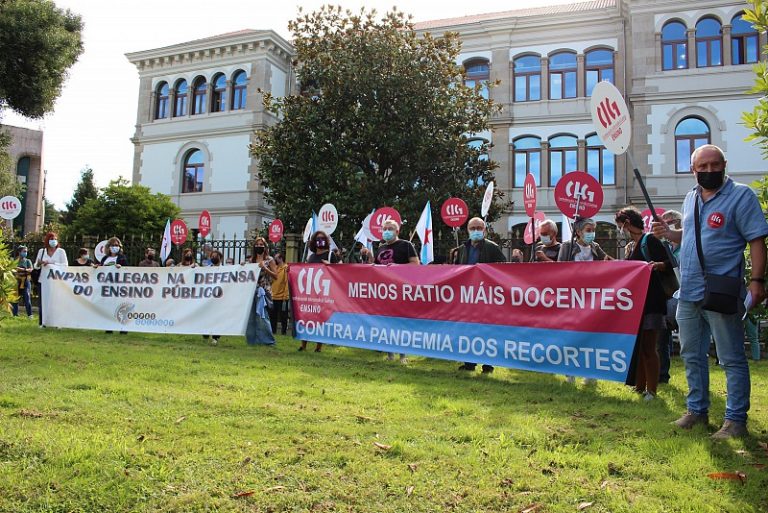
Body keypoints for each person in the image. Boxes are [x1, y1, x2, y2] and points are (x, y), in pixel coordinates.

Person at [652, 144, 767, 439]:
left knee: (730, 357)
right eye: (702, 167)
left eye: (714, 165)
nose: (709, 171)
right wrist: (670, 234)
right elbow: (691, 236)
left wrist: (757, 281)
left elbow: (756, 240)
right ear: (693, 170)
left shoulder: (741, 196)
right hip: (689, 292)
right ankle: (696, 411)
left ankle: (735, 421)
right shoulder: (690, 198)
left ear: (724, 164)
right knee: (691, 353)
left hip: (721, 290)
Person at [616, 207, 671, 401]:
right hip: (637, 303)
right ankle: (639, 386)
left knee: (649, 346)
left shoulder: (650, 240)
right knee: (639, 347)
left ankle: (652, 390)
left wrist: (657, 266)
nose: (619, 230)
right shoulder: (632, 245)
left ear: (627, 223)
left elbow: (669, 262)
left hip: (652, 302)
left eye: (619, 225)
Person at [362, 219, 420, 363]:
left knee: (401, 323)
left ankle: (403, 356)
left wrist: (397, 267)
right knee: (386, 323)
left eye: (390, 229)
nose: (387, 231)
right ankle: (390, 355)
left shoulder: (406, 245)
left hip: (401, 290)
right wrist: (369, 259)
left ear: (397, 231)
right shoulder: (381, 248)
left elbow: (416, 264)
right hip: (384, 292)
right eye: (385, 229)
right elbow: (376, 267)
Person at [455, 217, 506, 373]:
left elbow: (502, 269)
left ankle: (487, 364)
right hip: (468, 295)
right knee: (468, 329)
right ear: (468, 230)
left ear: (484, 230)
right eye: (473, 228)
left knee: (486, 330)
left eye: (479, 228)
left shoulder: (492, 247)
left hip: (486, 295)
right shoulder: (463, 248)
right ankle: (469, 363)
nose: (476, 231)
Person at [299, 230, 339, 352]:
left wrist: (330, 266)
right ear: (313, 242)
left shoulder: (330, 255)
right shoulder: (311, 257)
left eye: (322, 238)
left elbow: (339, 272)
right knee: (307, 317)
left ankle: (318, 346)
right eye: (317, 239)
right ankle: (303, 344)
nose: (320, 241)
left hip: (324, 292)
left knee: (321, 318)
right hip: (310, 292)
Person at [658, 209, 683, 384]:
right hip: (668, 296)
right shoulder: (665, 247)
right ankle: (662, 374)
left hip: (686, 295)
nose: (666, 227)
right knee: (662, 338)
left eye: (669, 222)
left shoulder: (686, 244)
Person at [34, 231, 68, 326]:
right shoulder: (42, 251)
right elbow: (36, 266)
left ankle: (58, 323)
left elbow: (65, 265)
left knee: (57, 301)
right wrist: (39, 263)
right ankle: (43, 322)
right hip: (44, 280)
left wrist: (52, 264)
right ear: (47, 241)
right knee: (43, 302)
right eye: (51, 239)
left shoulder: (61, 251)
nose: (53, 241)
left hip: (57, 280)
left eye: (55, 239)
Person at [203, 250, 223, 345]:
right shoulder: (207, 269)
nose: (214, 258)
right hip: (208, 296)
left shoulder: (226, 269)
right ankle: (206, 332)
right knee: (206, 315)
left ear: (220, 258)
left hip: (219, 297)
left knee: (218, 316)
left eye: (216, 256)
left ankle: (216, 337)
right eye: (212, 256)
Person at [270, 252, 290, 336]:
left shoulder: (286, 268)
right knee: (273, 316)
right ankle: (273, 331)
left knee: (283, 316)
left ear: (281, 258)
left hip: (282, 297)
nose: (275, 260)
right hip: (273, 296)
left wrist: (286, 296)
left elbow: (286, 283)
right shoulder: (275, 268)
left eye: (276, 258)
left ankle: (283, 332)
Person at [12, 246, 33, 318]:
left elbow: (31, 270)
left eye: (26, 251)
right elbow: (12, 270)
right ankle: (15, 314)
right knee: (15, 299)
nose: (25, 253)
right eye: (24, 251)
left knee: (27, 298)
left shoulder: (28, 261)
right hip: (16, 282)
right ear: (19, 252)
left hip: (26, 282)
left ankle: (30, 315)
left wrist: (21, 269)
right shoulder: (15, 261)